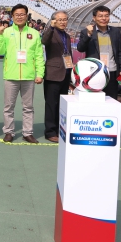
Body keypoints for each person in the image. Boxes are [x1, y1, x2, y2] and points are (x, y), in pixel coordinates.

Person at [0, 3, 45, 144]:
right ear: (12, 17)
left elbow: (39, 55)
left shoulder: (35, 33)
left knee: (28, 107)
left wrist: (39, 73)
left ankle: (27, 133)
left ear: (26, 16)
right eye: (16, 14)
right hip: (11, 76)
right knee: (8, 107)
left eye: (22, 14)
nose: (19, 17)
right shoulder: (6, 32)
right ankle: (9, 132)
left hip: (29, 76)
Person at [77, 5, 121, 99]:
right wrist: (88, 34)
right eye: (100, 16)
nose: (104, 18)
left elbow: (120, 52)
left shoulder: (115, 31)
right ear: (94, 18)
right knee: (95, 100)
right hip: (95, 72)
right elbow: (80, 48)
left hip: (111, 71)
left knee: (111, 100)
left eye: (106, 16)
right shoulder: (86, 32)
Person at [42, 11, 73, 143]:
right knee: (51, 104)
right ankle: (50, 132)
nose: (63, 22)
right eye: (59, 20)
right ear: (54, 20)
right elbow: (44, 40)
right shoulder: (51, 32)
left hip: (65, 73)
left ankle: (59, 128)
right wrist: (51, 27)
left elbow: (68, 54)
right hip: (53, 74)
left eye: (65, 19)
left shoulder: (66, 35)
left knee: (61, 104)